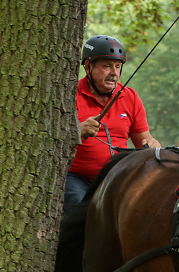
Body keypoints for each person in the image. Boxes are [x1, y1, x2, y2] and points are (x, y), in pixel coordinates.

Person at [65, 35, 161, 210]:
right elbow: (51, 140)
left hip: (117, 176)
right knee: (81, 212)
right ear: (88, 66)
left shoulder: (130, 97)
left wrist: (152, 145)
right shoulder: (70, 94)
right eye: (106, 66)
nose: (114, 73)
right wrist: (76, 131)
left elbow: (144, 141)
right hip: (77, 178)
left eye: (117, 67)